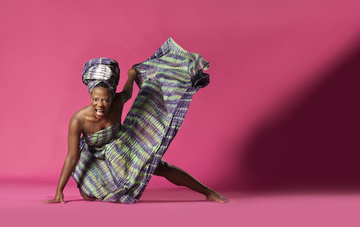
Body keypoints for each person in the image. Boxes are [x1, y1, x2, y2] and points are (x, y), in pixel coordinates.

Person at [43, 38, 228, 204]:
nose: (100, 105)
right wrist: (59, 191)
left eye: (105, 99)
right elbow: (72, 157)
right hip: (93, 157)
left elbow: (128, 93)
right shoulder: (78, 120)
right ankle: (102, 184)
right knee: (88, 196)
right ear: (90, 96)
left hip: (121, 149)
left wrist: (131, 76)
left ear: (111, 97)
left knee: (159, 165)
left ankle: (208, 192)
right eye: (95, 99)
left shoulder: (117, 103)